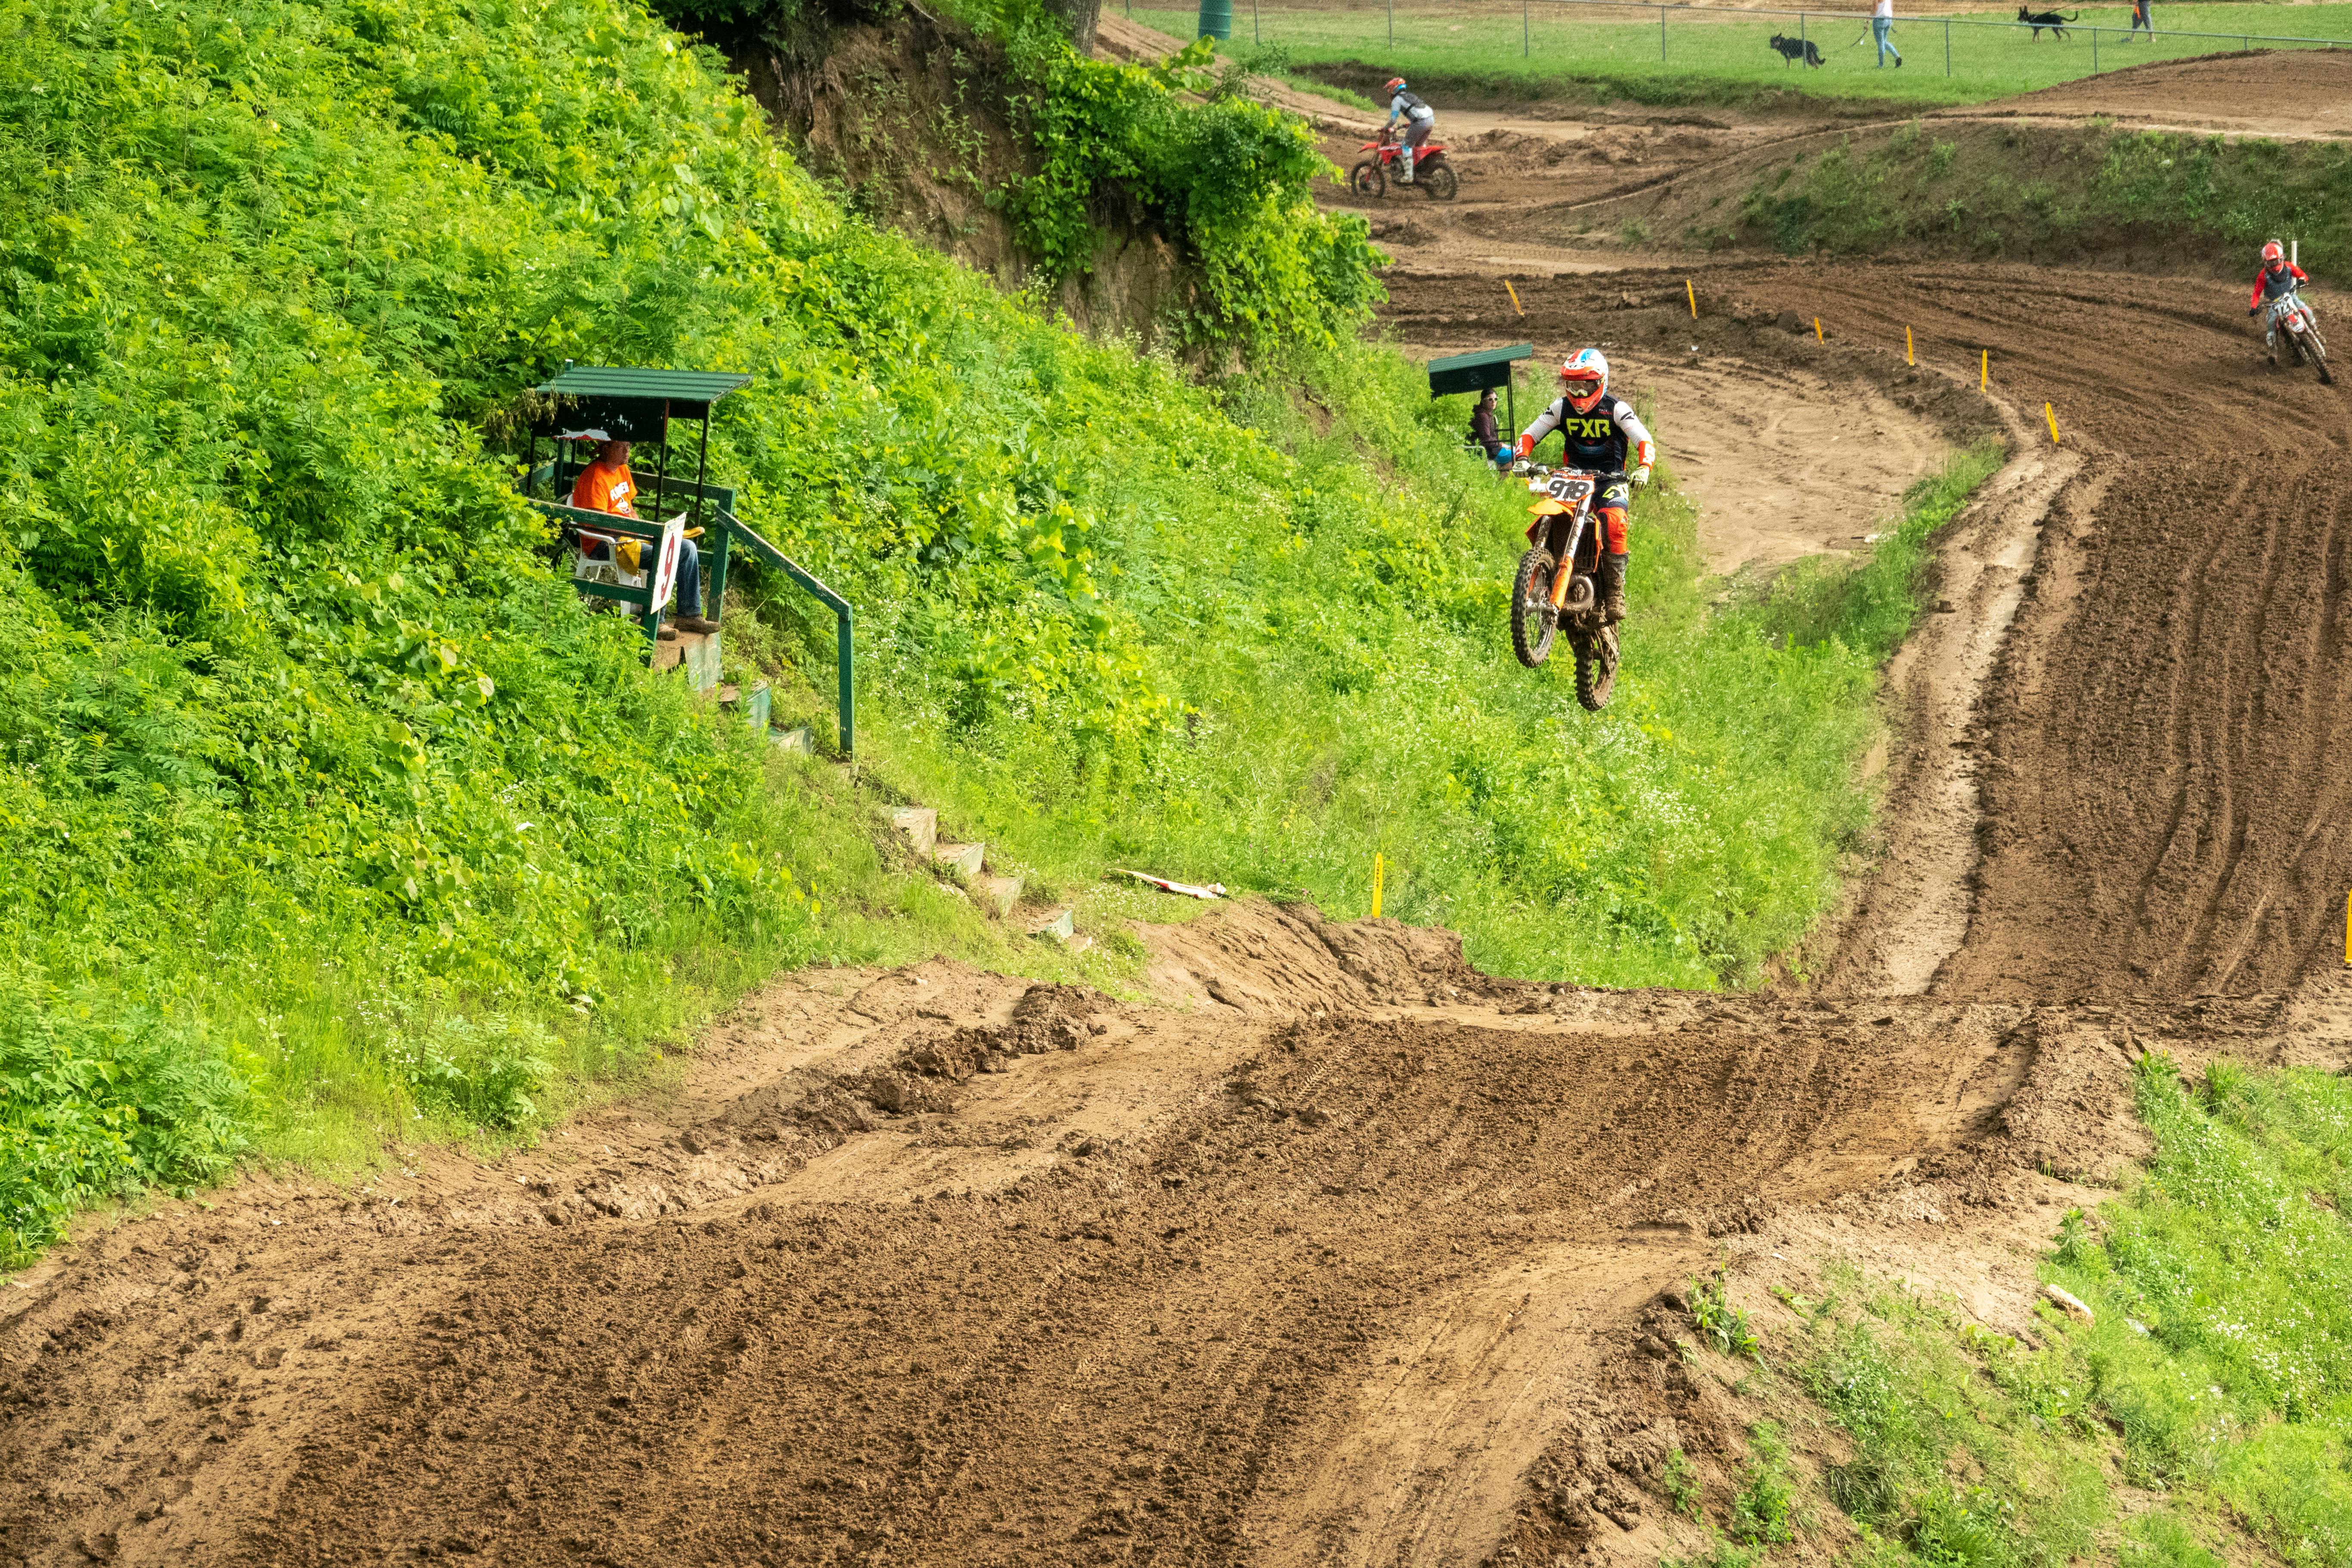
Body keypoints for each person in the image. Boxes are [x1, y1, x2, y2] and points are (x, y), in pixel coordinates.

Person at [1513, 349, 1655, 625]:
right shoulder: (1560, 408)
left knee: (1615, 520)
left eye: (1586, 386)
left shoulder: (1617, 409)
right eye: (1573, 386)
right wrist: (1522, 458)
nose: (1579, 395)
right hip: (1572, 477)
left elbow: (1643, 439)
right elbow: (1530, 434)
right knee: (1550, 512)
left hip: (1610, 479)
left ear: (1601, 382)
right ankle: (1545, 570)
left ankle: (1615, 591)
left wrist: (1643, 468)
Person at [570, 437, 717, 635]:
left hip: (631, 535)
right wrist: (631, 532)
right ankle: (655, 622)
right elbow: (599, 523)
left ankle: (690, 615)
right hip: (605, 542)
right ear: (606, 449)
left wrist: (640, 531)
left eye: (629, 446)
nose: (627, 452)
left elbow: (630, 509)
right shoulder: (595, 476)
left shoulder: (623, 470)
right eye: (621, 447)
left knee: (688, 548)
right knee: (665, 553)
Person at [2247, 239, 2317, 366]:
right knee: (2271, 323)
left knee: (2306, 310)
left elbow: (2302, 275)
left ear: (2282, 258)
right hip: (2274, 304)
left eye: (2277, 261)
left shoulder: (2289, 267)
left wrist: (2302, 280)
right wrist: (2253, 307)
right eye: (2271, 263)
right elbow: (2256, 293)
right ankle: (2273, 351)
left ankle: (2315, 330)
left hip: (2290, 297)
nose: (2275, 265)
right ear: (2265, 262)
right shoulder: (2263, 276)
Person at [1382, 77, 1436, 185]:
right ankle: (1420, 170)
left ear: (1394, 88)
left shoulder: (1397, 100)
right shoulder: (1410, 96)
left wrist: (1385, 128)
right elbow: (1417, 111)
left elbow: (1393, 119)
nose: (1389, 92)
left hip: (1420, 122)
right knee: (1418, 146)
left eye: (1390, 89)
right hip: (1431, 120)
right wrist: (1412, 123)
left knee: (1406, 146)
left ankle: (1408, 176)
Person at [1469, 387, 1509, 465]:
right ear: (1483, 401)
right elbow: (1486, 440)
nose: (1494, 402)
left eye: (1496, 399)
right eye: (1490, 400)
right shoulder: (1482, 416)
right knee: (1515, 454)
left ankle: (1503, 473)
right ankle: (1503, 474)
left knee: (1516, 449)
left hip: (1491, 448)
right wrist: (1500, 444)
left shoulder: (1486, 414)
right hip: (1486, 451)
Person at [1872, 0, 1903, 67]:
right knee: (1884, 42)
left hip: (1879, 20)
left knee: (1880, 43)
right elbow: (1891, 7)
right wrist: (1891, 20)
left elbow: (1875, 7)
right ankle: (1897, 57)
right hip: (1888, 19)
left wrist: (1867, 21)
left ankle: (1881, 65)